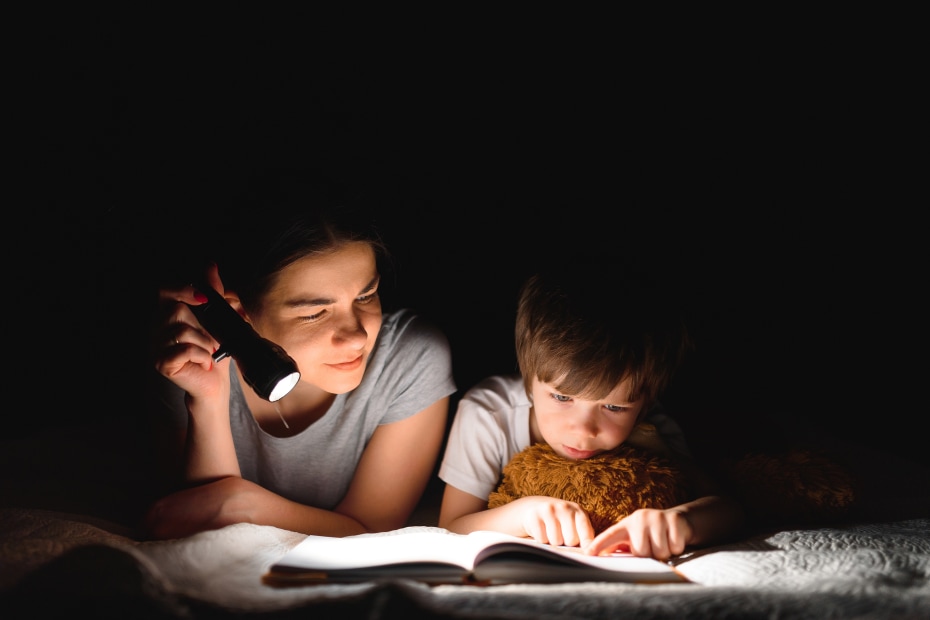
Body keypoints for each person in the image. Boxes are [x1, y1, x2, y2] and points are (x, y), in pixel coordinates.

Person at [143, 173, 456, 540]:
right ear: (239, 312)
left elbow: (371, 531)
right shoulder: (189, 356)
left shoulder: (410, 360)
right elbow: (192, 527)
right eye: (314, 313)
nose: (357, 334)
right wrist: (208, 400)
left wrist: (242, 505)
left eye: (366, 295)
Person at [437, 256, 744, 561]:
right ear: (529, 380)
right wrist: (523, 514)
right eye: (561, 398)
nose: (583, 430)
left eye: (613, 406)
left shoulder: (650, 425)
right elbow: (452, 525)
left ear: (644, 404)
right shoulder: (489, 415)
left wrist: (681, 522)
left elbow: (727, 507)